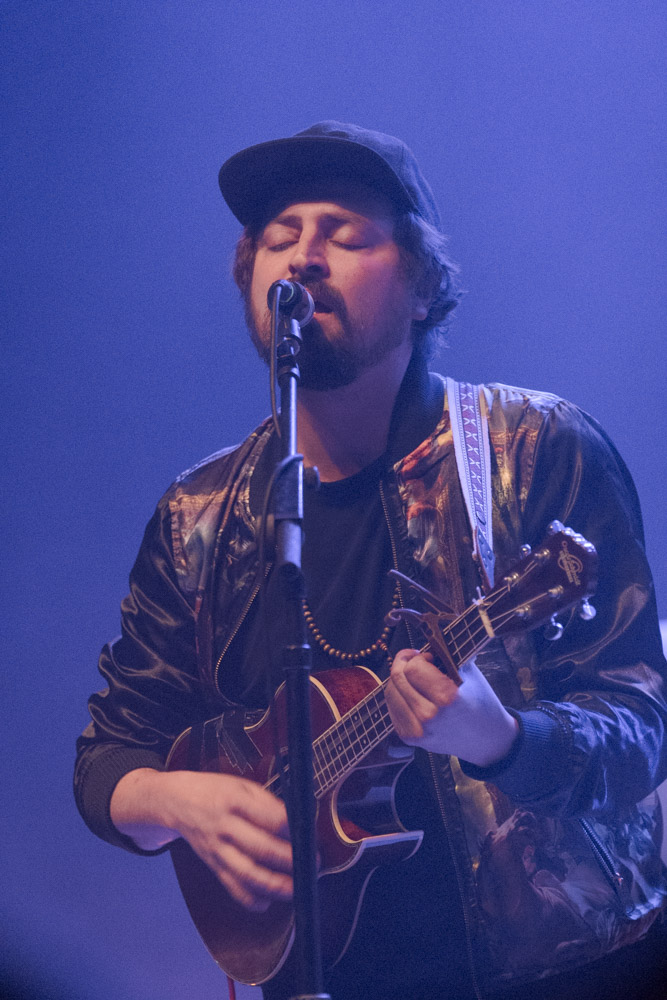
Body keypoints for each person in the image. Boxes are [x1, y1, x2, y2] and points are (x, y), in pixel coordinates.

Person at [75, 122, 667, 1000]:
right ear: (250, 280)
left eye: (344, 236)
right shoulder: (197, 518)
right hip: (318, 978)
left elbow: (639, 718)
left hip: (563, 967)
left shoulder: (537, 449)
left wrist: (501, 739)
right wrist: (176, 802)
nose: (304, 258)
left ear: (423, 287)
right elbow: (110, 752)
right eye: (278, 239)